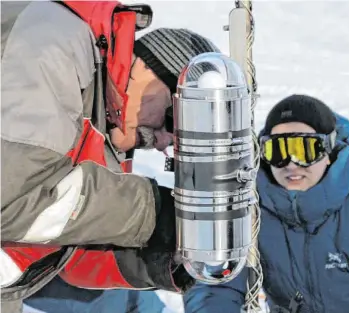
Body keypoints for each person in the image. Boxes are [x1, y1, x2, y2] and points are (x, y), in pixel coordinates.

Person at [1, 1, 220, 312]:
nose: (161, 143)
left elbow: (72, 257)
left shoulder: (105, 127)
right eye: (173, 120)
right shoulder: (55, 42)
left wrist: (162, 256)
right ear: (148, 68)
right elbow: (13, 199)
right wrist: (152, 212)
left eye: (176, 143)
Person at [183, 94, 349, 313]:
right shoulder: (251, 211)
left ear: (329, 150)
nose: (291, 164)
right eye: (277, 151)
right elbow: (216, 286)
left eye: (305, 150)